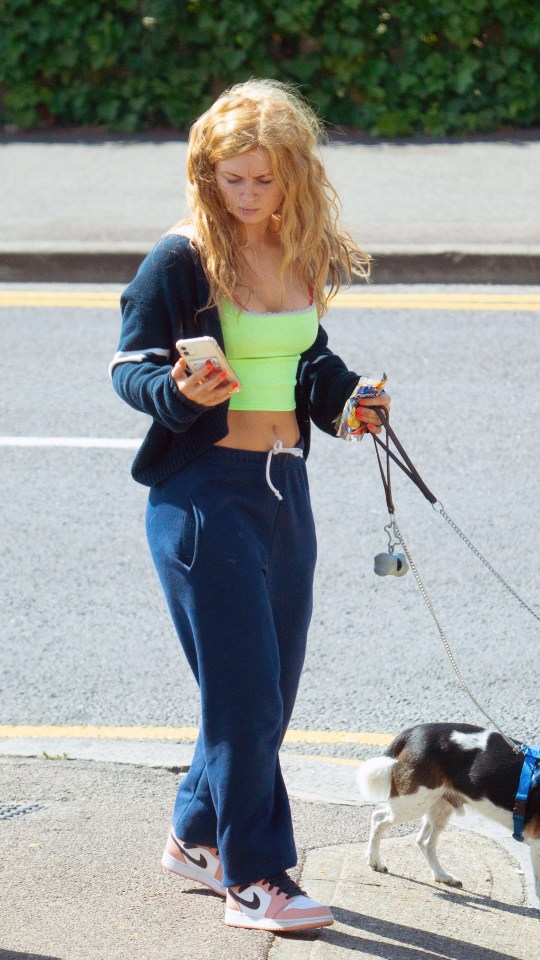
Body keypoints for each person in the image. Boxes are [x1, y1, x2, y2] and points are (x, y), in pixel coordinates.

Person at [110, 78, 390, 933]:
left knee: (268, 689)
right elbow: (129, 367)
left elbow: (305, 356)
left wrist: (346, 403)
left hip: (282, 486)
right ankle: (256, 878)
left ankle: (195, 835)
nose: (247, 196)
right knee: (244, 698)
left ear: (294, 176)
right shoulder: (182, 257)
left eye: (264, 180)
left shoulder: (302, 248)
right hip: (201, 496)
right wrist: (180, 389)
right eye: (231, 179)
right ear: (206, 173)